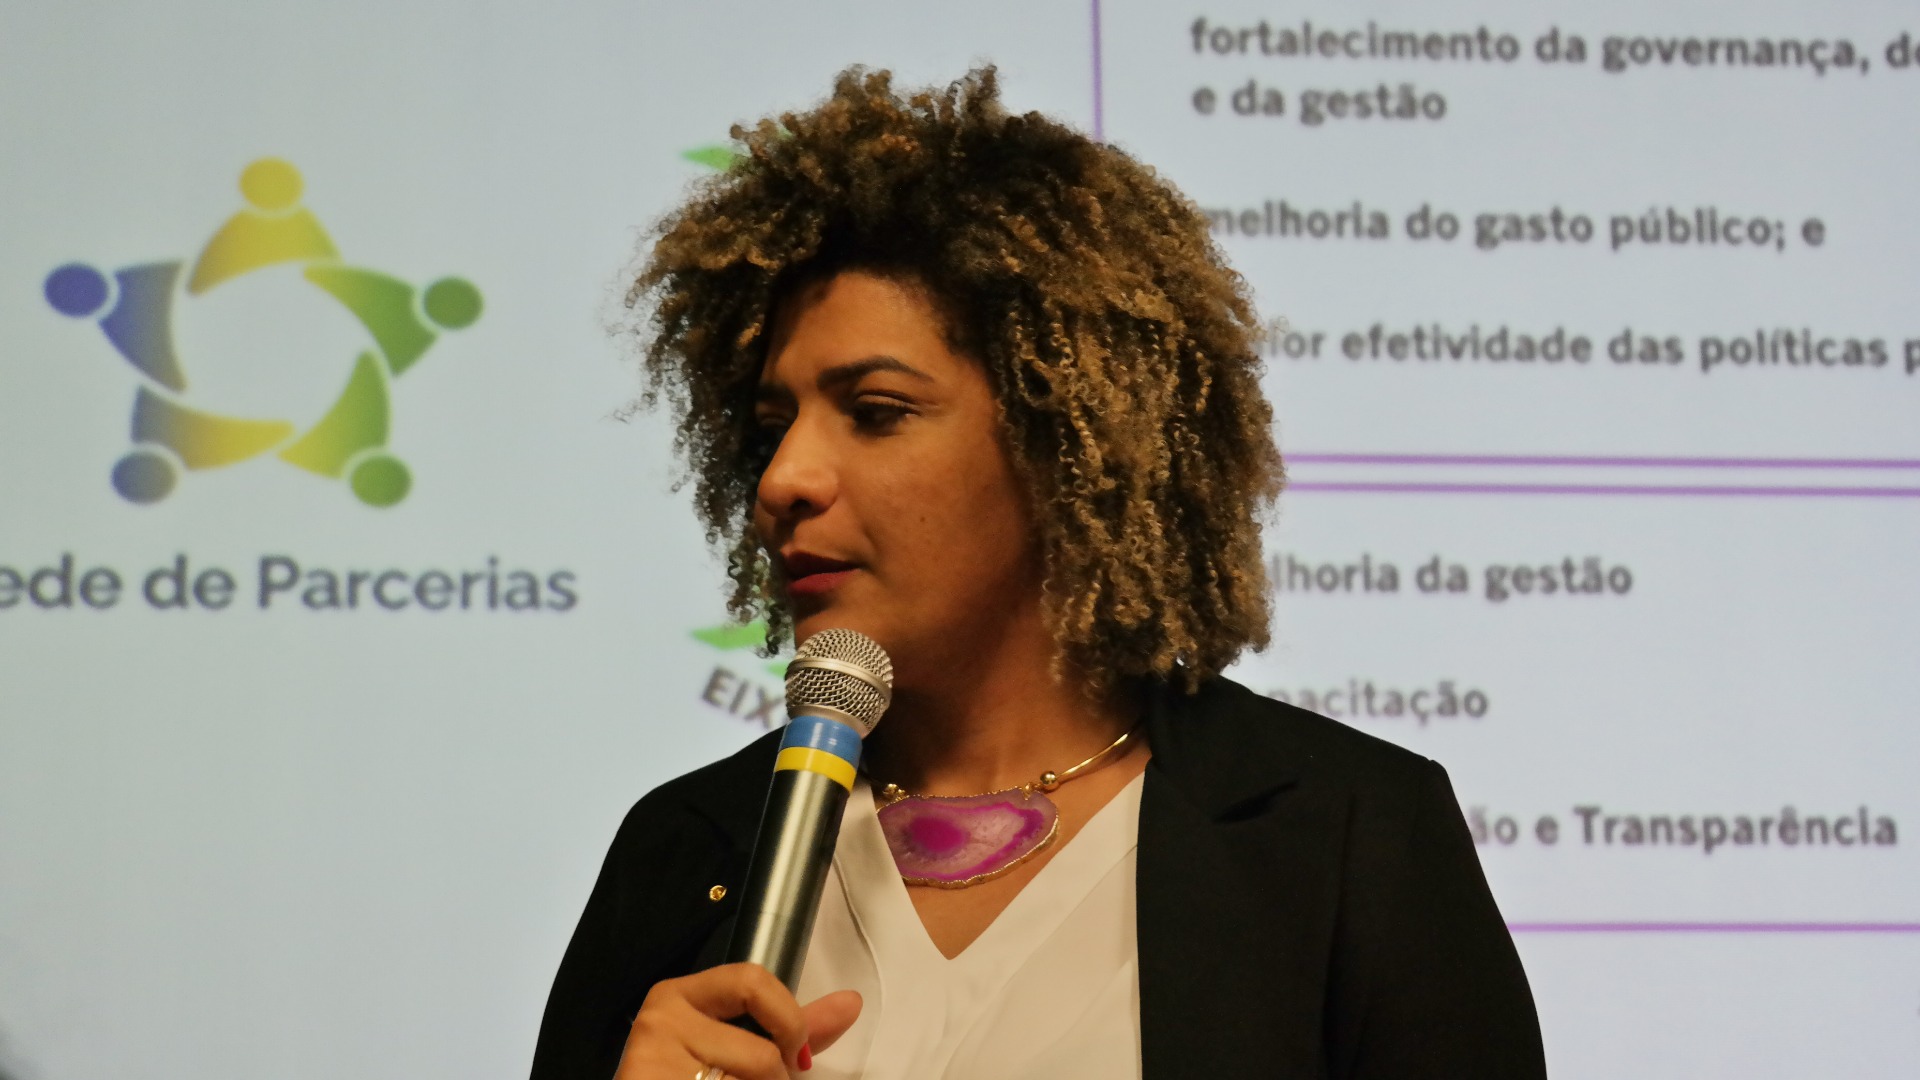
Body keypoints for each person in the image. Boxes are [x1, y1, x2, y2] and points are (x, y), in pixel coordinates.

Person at [532, 66, 1545, 1080]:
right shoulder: (685, 851)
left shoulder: (1347, 835)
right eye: (769, 429)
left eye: (876, 413)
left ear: (1065, 446)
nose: (784, 479)